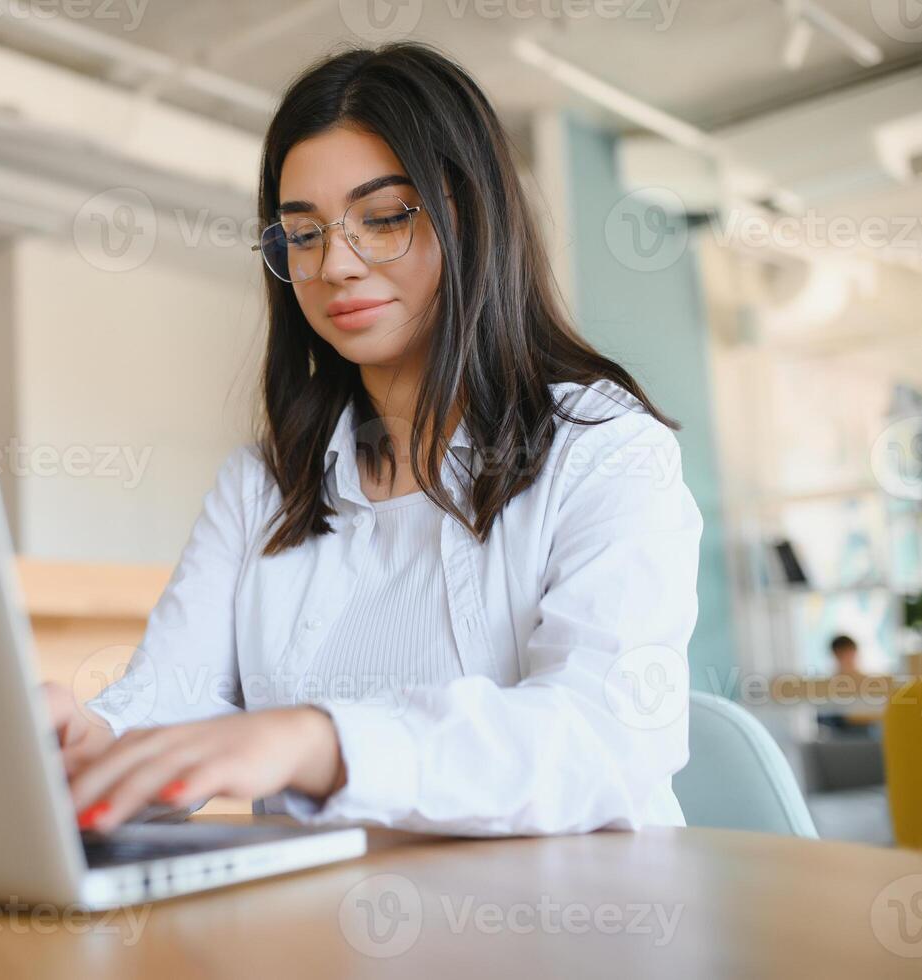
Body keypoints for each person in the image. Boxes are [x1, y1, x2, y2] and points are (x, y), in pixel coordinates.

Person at [45, 41, 703, 837]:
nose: (336, 265)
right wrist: (98, 742)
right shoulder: (262, 483)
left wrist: (319, 740)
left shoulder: (604, 452)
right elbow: (176, 691)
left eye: (385, 218)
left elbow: (603, 736)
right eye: (302, 233)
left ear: (474, 219)